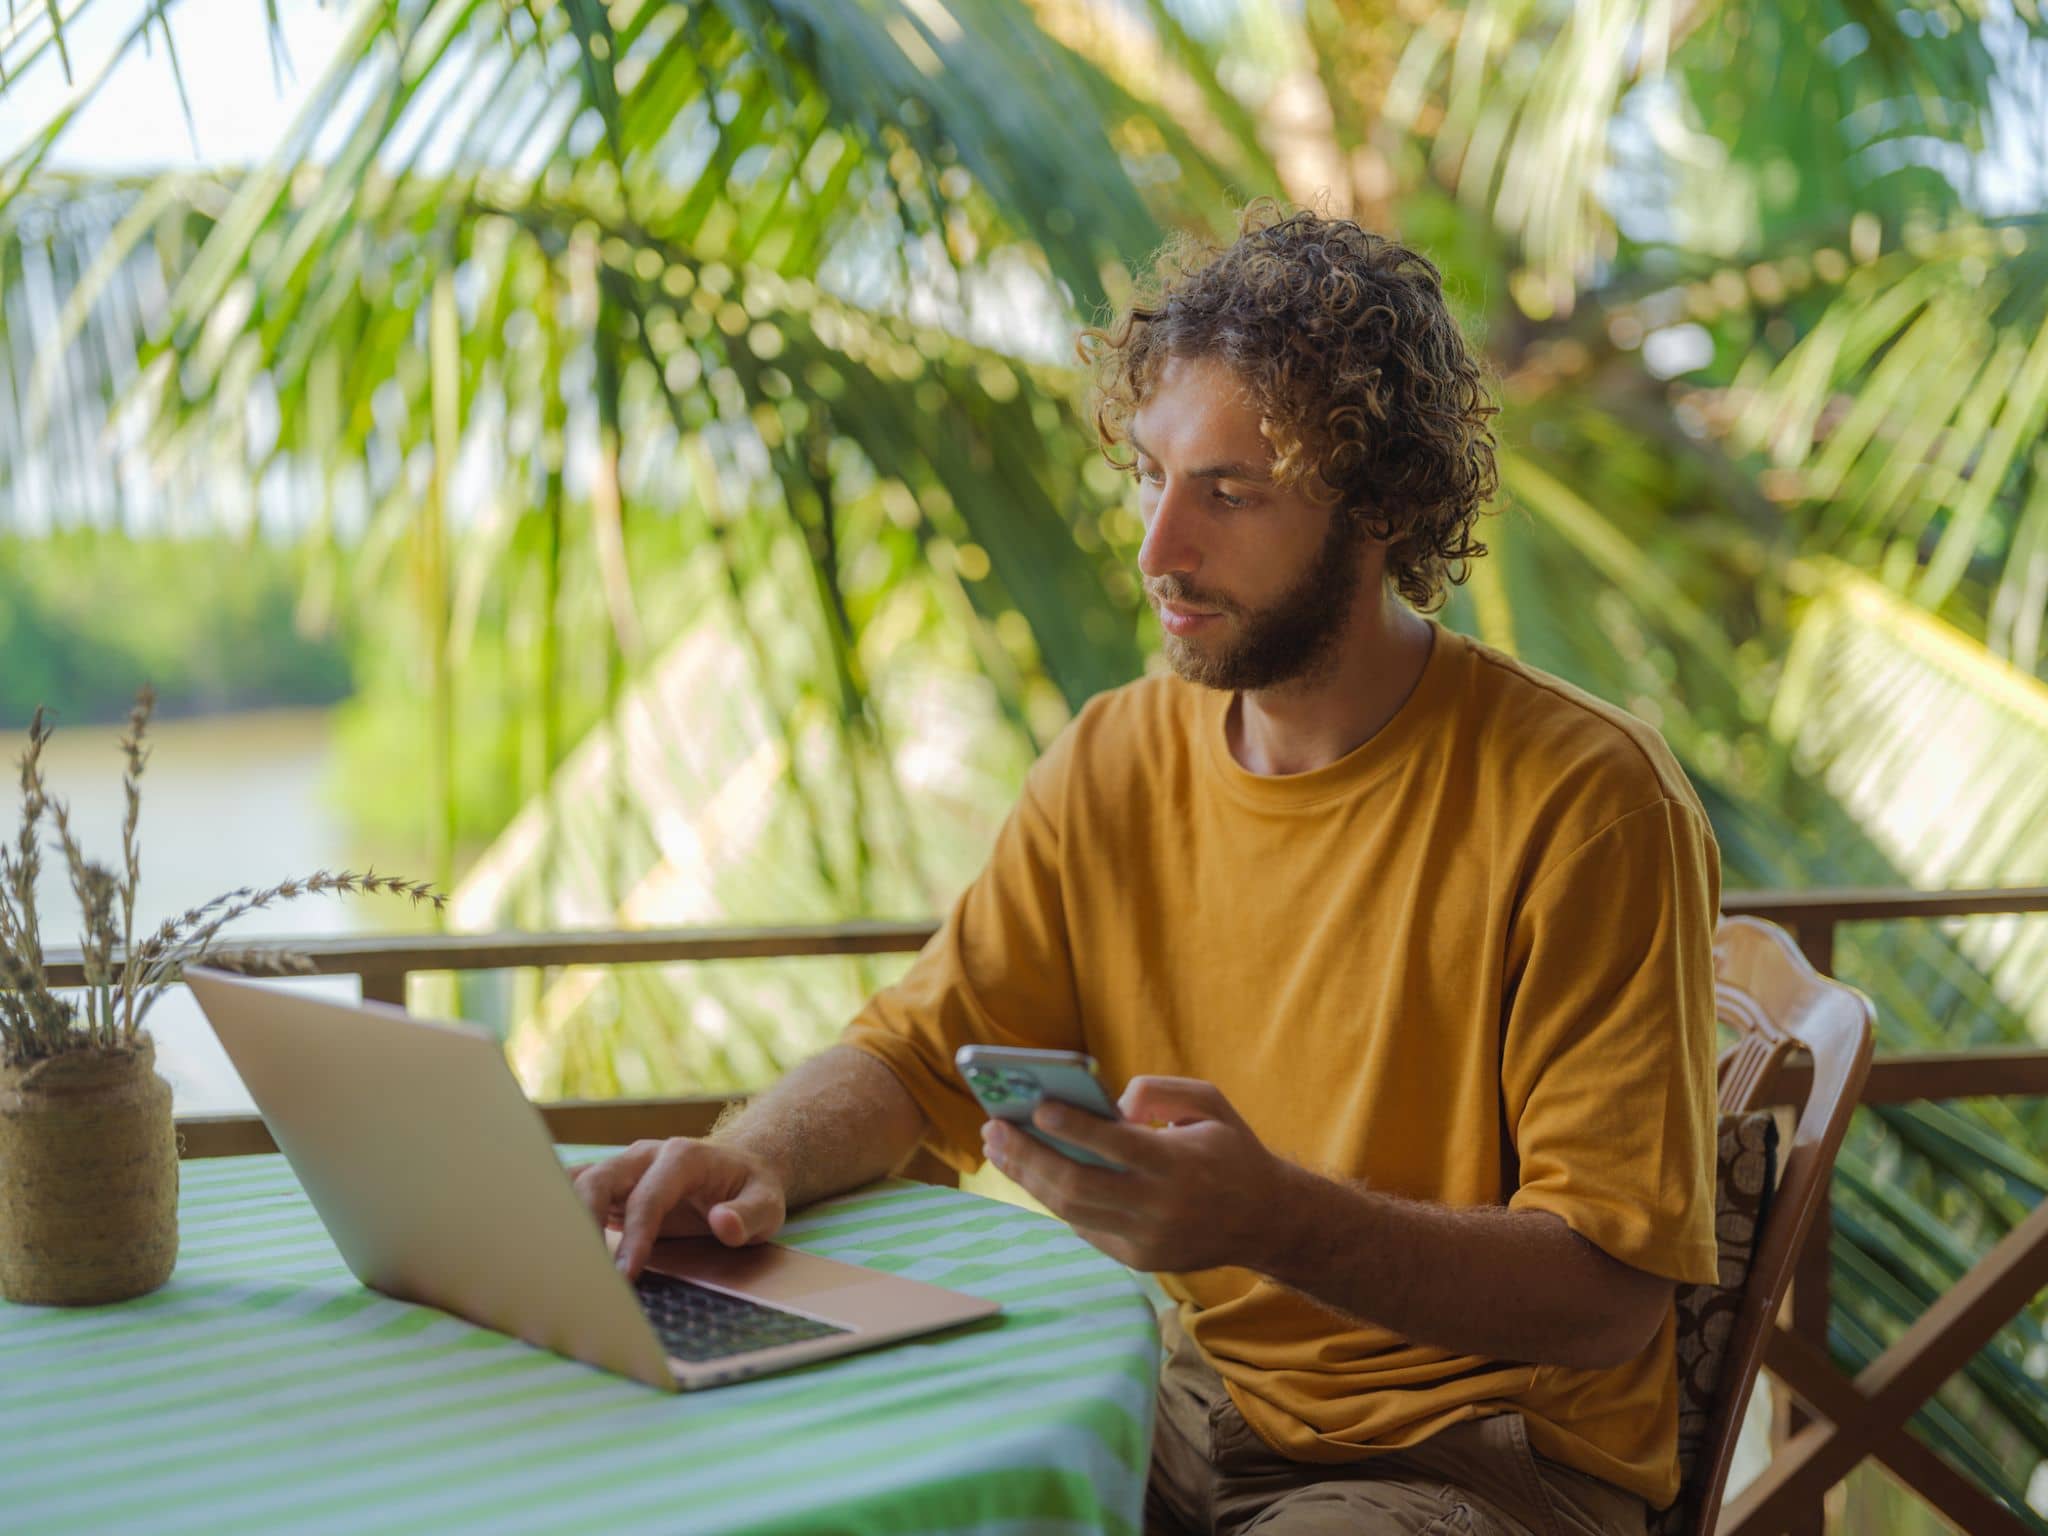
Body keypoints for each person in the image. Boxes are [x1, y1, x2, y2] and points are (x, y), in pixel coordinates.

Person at [572, 198, 1721, 1535]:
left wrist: (1273, 1220)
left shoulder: (1587, 800)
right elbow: (916, 1058)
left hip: (1479, 1460)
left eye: (1230, 494)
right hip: (1187, 1400)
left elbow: (1606, 1295)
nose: (1158, 549)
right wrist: (751, 1156)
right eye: (1152, 477)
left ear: (1379, 509)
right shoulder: (1117, 757)